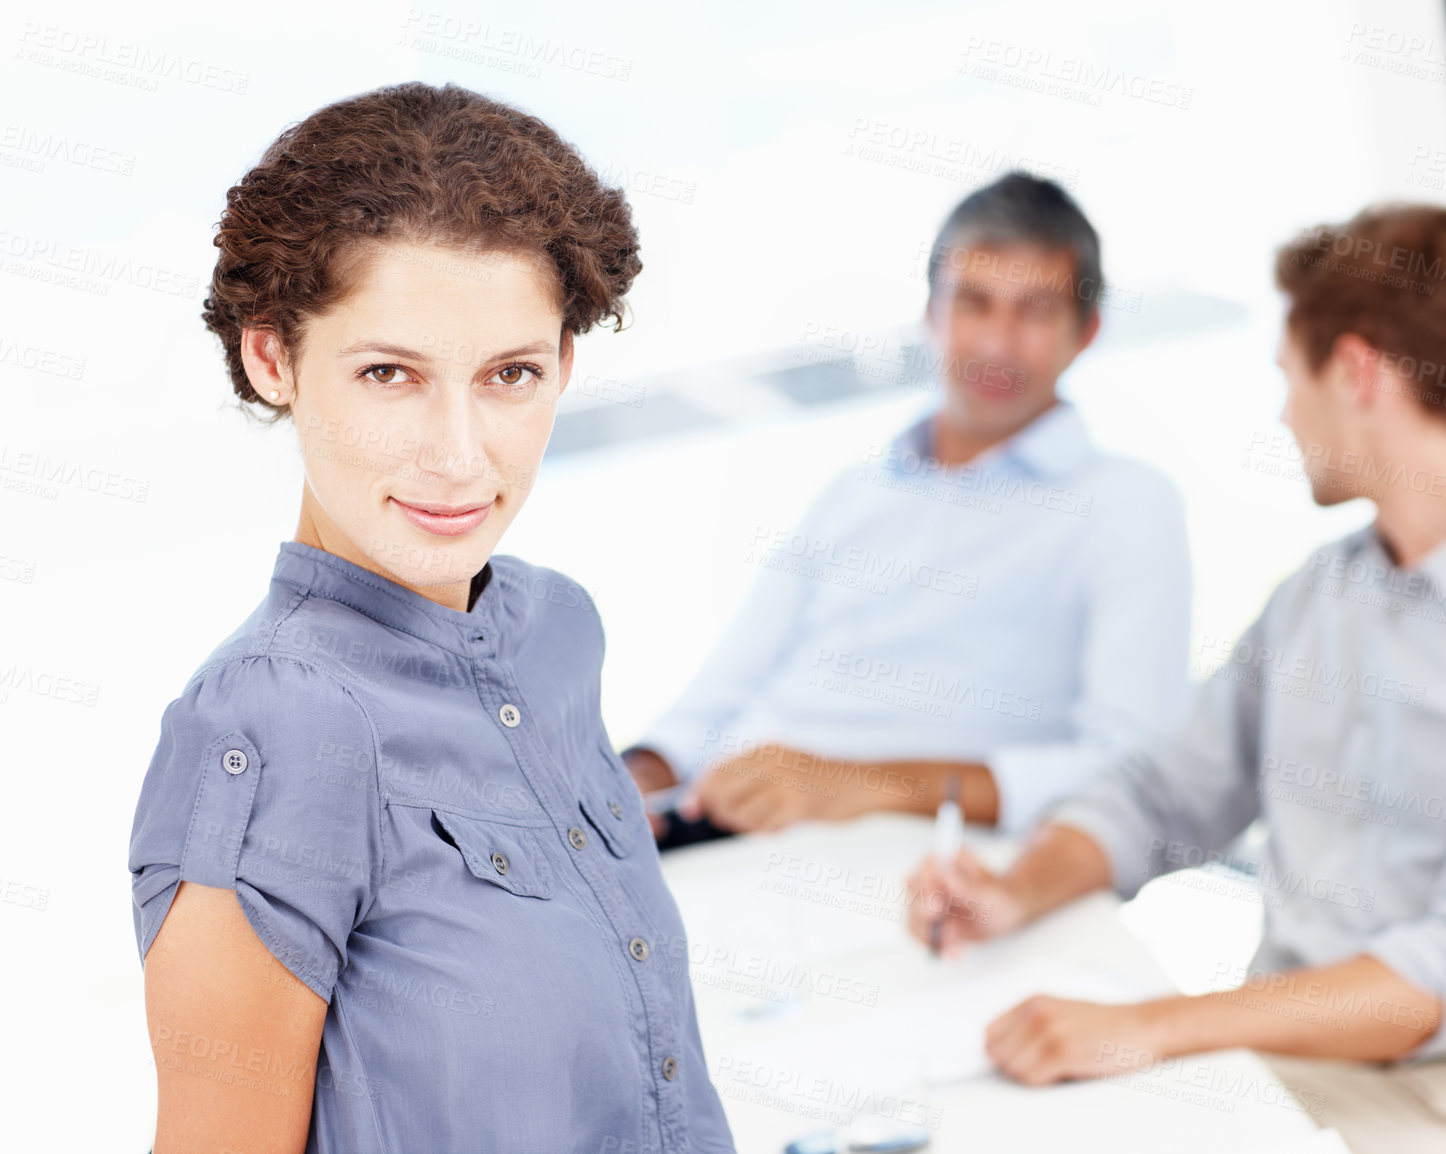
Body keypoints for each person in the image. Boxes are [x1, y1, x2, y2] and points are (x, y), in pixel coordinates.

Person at [904, 202, 1446, 1153]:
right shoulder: (1325, 594)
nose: (1284, 413)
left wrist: (1150, 1029)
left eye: (1290, 377)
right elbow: (1160, 793)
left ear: (1358, 371)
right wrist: (1015, 888)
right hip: (1279, 1068)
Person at [128, 82, 734, 1154]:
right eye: (389, 374)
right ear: (272, 357)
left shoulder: (555, 632)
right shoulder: (270, 724)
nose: (458, 455)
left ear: (564, 365)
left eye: (510, 373)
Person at [626, 173, 1192, 842]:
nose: (995, 344)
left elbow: (1133, 769)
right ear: (931, 313)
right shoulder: (854, 492)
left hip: (904, 854)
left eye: (1034, 311)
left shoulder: (1124, 504)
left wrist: (862, 783)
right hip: (708, 828)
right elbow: (701, 713)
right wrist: (607, 796)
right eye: (974, 303)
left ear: (1087, 331)